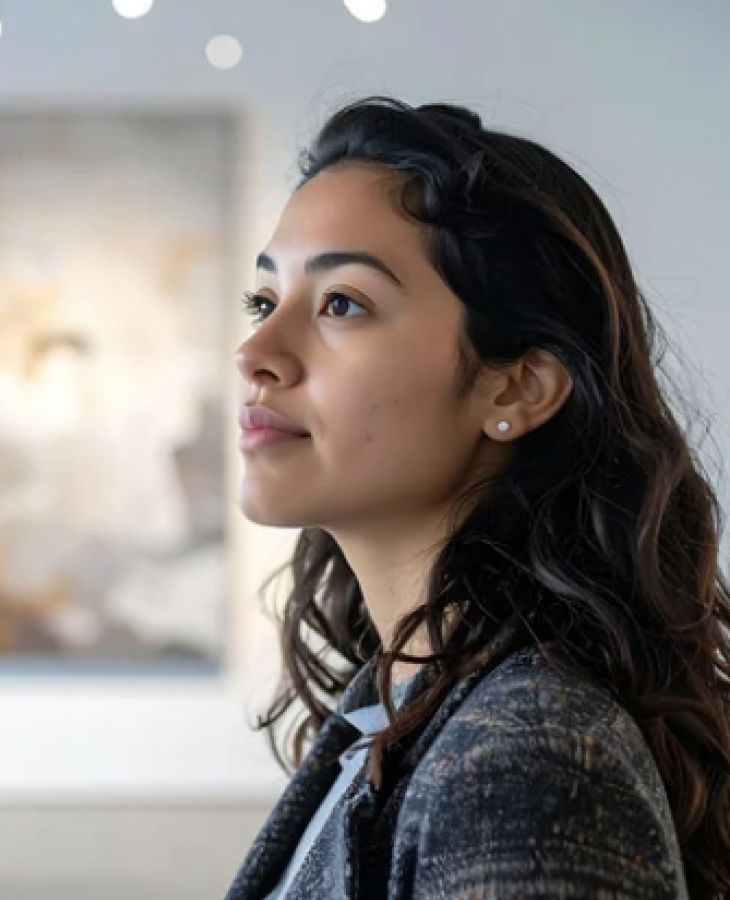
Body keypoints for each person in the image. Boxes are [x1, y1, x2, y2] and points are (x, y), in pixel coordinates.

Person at [225, 97, 730, 900]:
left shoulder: (533, 758)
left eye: (342, 304)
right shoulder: (400, 711)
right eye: (263, 301)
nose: (256, 352)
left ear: (519, 387)